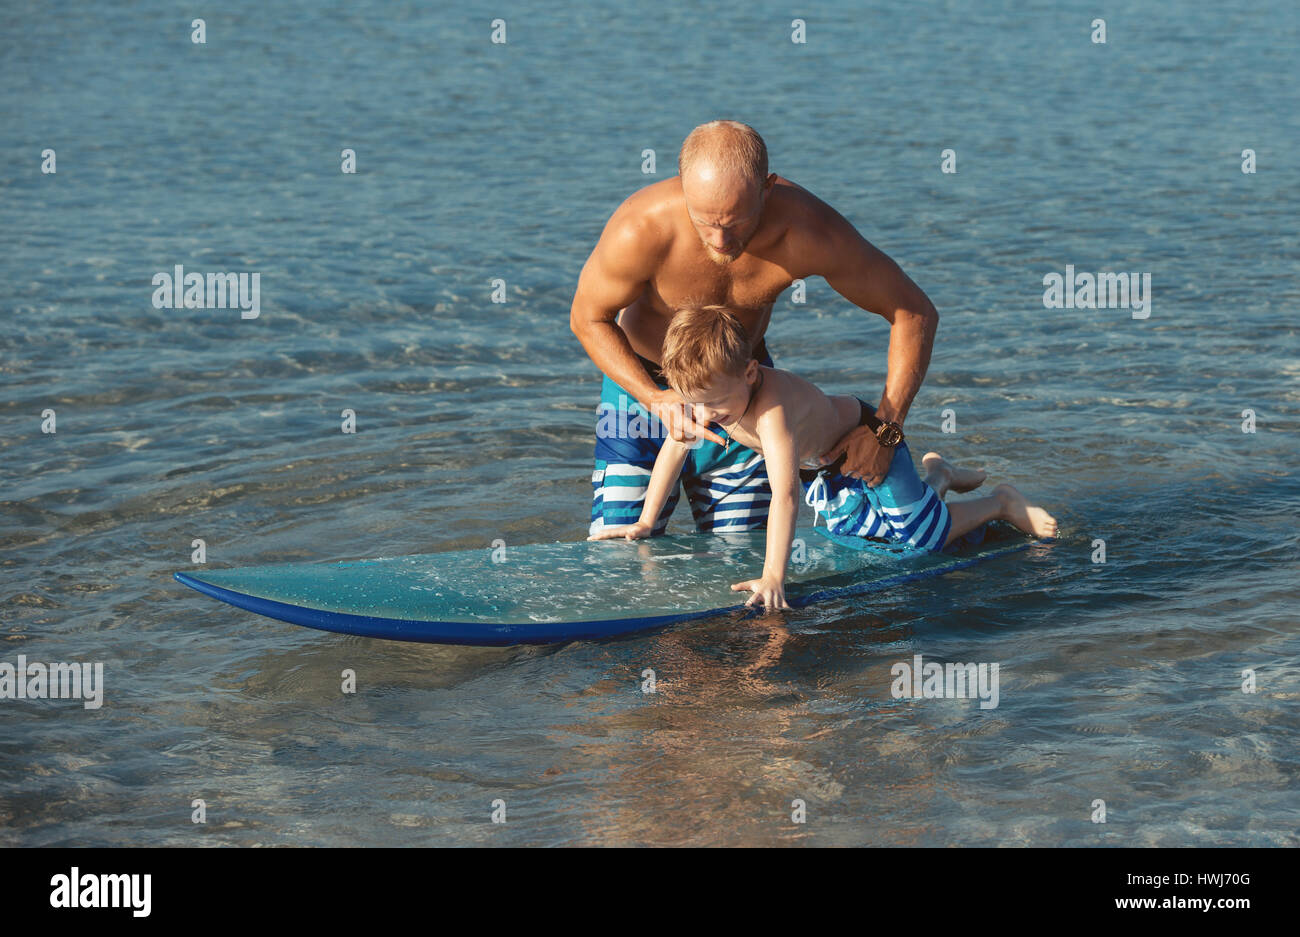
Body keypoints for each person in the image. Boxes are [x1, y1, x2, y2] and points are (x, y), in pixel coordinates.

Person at [571, 120, 940, 536]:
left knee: (739, 556)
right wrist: (655, 398)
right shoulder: (640, 228)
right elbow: (587, 318)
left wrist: (885, 430)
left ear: (768, 188)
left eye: (736, 222)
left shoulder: (808, 231)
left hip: (740, 392)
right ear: (683, 187)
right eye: (705, 221)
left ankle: (931, 493)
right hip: (640, 390)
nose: (721, 240)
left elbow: (914, 311)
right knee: (619, 552)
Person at [589, 305, 1058, 609]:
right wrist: (648, 522)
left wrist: (774, 576)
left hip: (866, 437)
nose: (705, 415)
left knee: (918, 537)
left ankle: (1000, 502)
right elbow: (676, 445)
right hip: (825, 466)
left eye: (714, 405)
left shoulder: (772, 415)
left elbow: (786, 498)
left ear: (752, 372)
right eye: (698, 404)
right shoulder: (714, 396)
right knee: (865, 535)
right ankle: (938, 476)